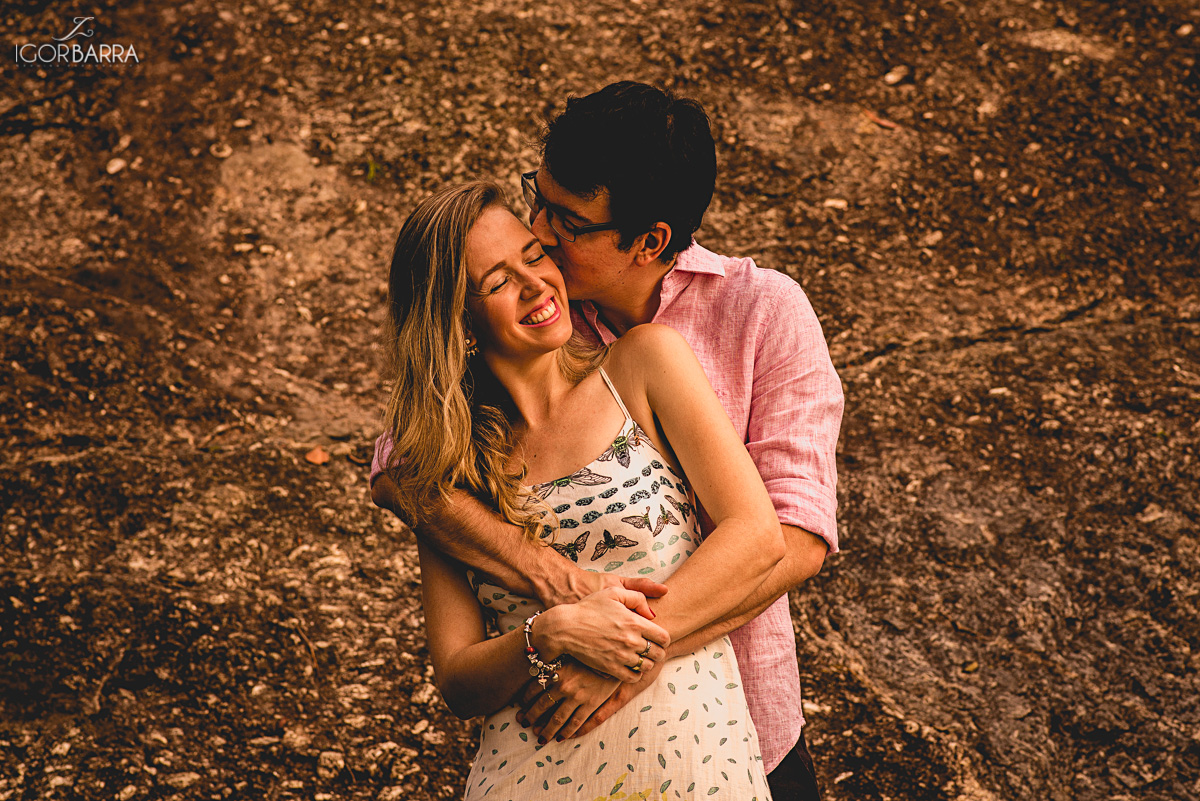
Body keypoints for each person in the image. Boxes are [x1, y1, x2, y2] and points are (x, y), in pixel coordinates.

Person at [373, 82, 843, 800]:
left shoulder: (761, 314)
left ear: (649, 240)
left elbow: (794, 536)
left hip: (737, 715)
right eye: (540, 199)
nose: (544, 234)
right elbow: (402, 470)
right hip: (553, 746)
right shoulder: (528, 341)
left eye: (565, 221)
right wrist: (549, 586)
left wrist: (621, 652)